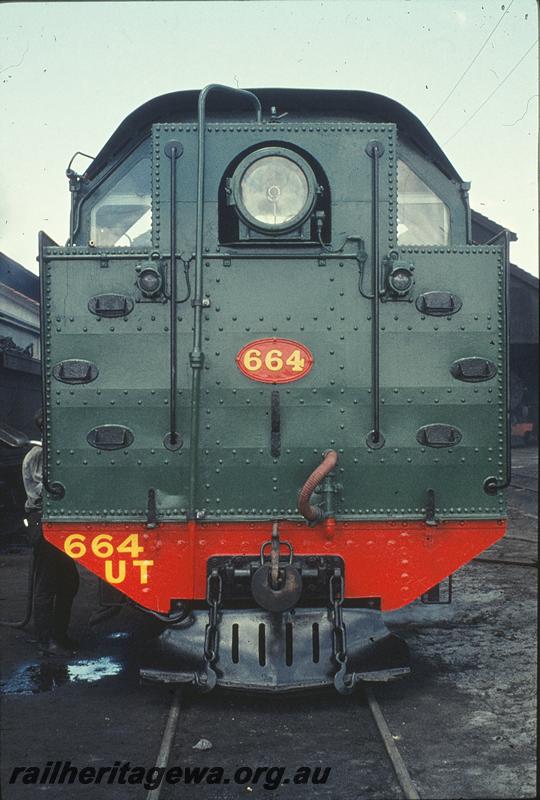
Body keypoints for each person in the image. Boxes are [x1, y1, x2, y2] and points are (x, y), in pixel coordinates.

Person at [22, 409, 80, 656]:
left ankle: (58, 635)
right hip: (43, 520)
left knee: (68, 582)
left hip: (56, 521)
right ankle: (46, 642)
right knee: (47, 585)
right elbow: (47, 490)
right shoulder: (38, 455)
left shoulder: (52, 453)